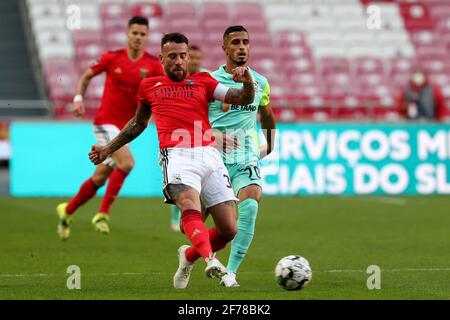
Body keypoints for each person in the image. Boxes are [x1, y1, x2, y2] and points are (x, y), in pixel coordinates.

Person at [88, 32, 256, 288]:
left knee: (229, 229)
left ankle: (188, 256)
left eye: (183, 56)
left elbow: (243, 98)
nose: (179, 61)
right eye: (173, 56)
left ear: (188, 57)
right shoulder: (149, 87)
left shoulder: (204, 82)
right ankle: (210, 259)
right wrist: (107, 149)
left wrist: (248, 81)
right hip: (176, 155)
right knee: (188, 203)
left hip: (210, 155)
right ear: (162, 58)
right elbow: (137, 124)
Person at [56, 16, 164, 240]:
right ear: (127, 33)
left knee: (99, 178)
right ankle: (102, 214)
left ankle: (66, 212)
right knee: (127, 163)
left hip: (125, 129)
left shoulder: (153, 65)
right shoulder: (112, 58)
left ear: (147, 36)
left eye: (142, 34)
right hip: (105, 122)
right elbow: (87, 76)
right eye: (134, 33)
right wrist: (78, 98)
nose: (138, 37)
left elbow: (163, 92)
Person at [209, 25, 276, 287]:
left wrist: (270, 144)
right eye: (235, 42)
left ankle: (231, 272)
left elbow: (268, 113)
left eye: (245, 42)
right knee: (201, 225)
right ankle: (194, 256)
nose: (241, 47)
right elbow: (195, 117)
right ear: (224, 47)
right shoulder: (209, 81)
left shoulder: (261, 82)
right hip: (213, 157)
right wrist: (211, 137)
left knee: (250, 204)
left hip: (246, 155)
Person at [169, 45, 209, 232]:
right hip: (178, 137)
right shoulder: (176, 79)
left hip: (203, 136)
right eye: (190, 57)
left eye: (197, 58)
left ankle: (193, 216)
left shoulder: (207, 79)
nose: (194, 61)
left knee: (201, 179)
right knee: (179, 180)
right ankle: (177, 217)